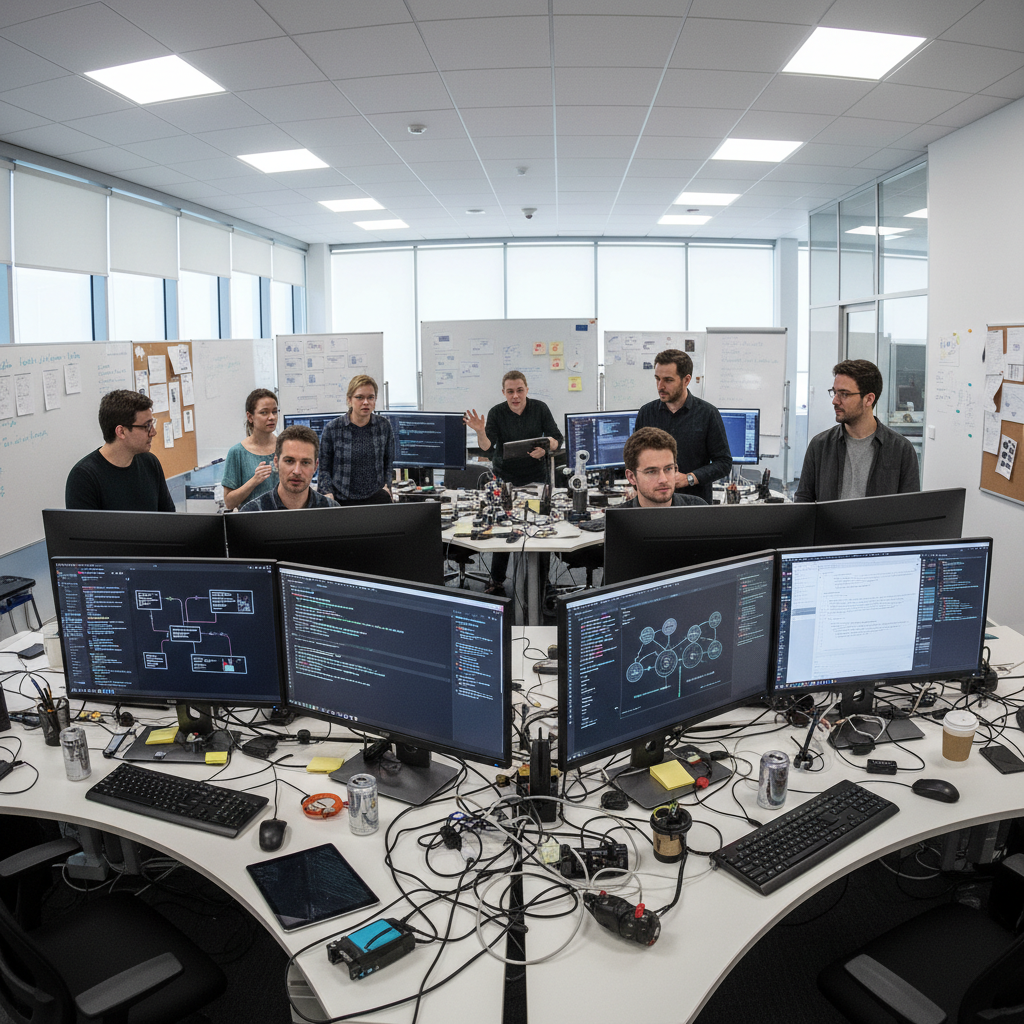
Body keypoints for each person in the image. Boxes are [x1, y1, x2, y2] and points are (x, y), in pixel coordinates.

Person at [464, 371, 563, 595]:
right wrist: (480, 431)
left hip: (536, 478)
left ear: (526, 390)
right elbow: (488, 447)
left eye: (519, 390)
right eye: (510, 391)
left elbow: (557, 438)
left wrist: (547, 447)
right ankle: (497, 579)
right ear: (504, 393)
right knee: (503, 526)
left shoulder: (540, 408)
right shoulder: (497, 413)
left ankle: (541, 582)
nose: (515, 396)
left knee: (540, 526)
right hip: (505, 478)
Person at [796, 359, 920, 503]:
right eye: (835, 392)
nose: (835, 401)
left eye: (844, 394)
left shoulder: (901, 450)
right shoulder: (820, 446)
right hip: (828, 526)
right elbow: (803, 501)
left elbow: (909, 509)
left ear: (868, 399)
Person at [634, 349, 732, 504]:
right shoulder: (646, 413)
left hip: (694, 504)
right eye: (657, 379)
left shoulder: (707, 413)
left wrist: (689, 478)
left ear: (686, 380)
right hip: (654, 503)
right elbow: (635, 459)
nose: (660, 386)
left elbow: (724, 463)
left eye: (668, 380)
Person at [65, 390, 174, 512]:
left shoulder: (150, 463)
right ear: (121, 432)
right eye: (147, 426)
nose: (153, 432)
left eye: (152, 424)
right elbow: (84, 530)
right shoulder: (84, 477)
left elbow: (169, 520)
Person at [317, 375, 394, 506]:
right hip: (341, 498)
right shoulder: (333, 428)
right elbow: (324, 469)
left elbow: (388, 462)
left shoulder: (384, 426)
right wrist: (327, 493)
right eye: (359, 397)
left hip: (375, 497)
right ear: (349, 400)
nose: (366, 402)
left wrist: (388, 487)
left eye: (370, 397)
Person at [240, 426, 338, 511]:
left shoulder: (331, 511)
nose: (297, 471)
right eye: (289, 461)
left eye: (305, 462)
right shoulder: (253, 512)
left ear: (315, 466)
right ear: (276, 462)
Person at [222, 388, 279, 510]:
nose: (272, 417)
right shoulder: (237, 453)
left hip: (283, 520)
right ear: (250, 417)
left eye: (274, 412)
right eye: (264, 413)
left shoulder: (284, 447)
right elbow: (229, 502)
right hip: (250, 522)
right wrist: (254, 481)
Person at [623, 427, 709, 508]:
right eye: (651, 471)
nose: (663, 480)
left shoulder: (698, 509)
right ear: (631, 477)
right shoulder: (614, 520)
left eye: (668, 469)